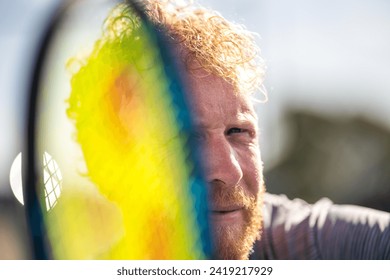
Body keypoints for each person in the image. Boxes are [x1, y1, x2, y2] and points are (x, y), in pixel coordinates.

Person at [67, 0, 390, 259]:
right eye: (185, 139)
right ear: (106, 166)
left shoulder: (316, 249)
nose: (230, 170)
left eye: (238, 131)